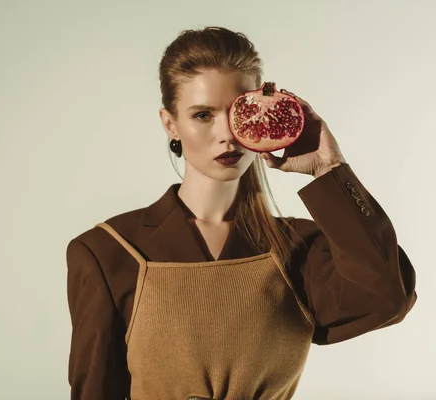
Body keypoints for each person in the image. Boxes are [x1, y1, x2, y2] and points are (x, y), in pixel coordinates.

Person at [65, 26, 418, 400]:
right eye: (203, 115)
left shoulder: (301, 247)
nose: (228, 134)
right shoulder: (108, 251)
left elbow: (387, 299)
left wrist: (329, 168)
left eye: (238, 113)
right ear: (171, 123)